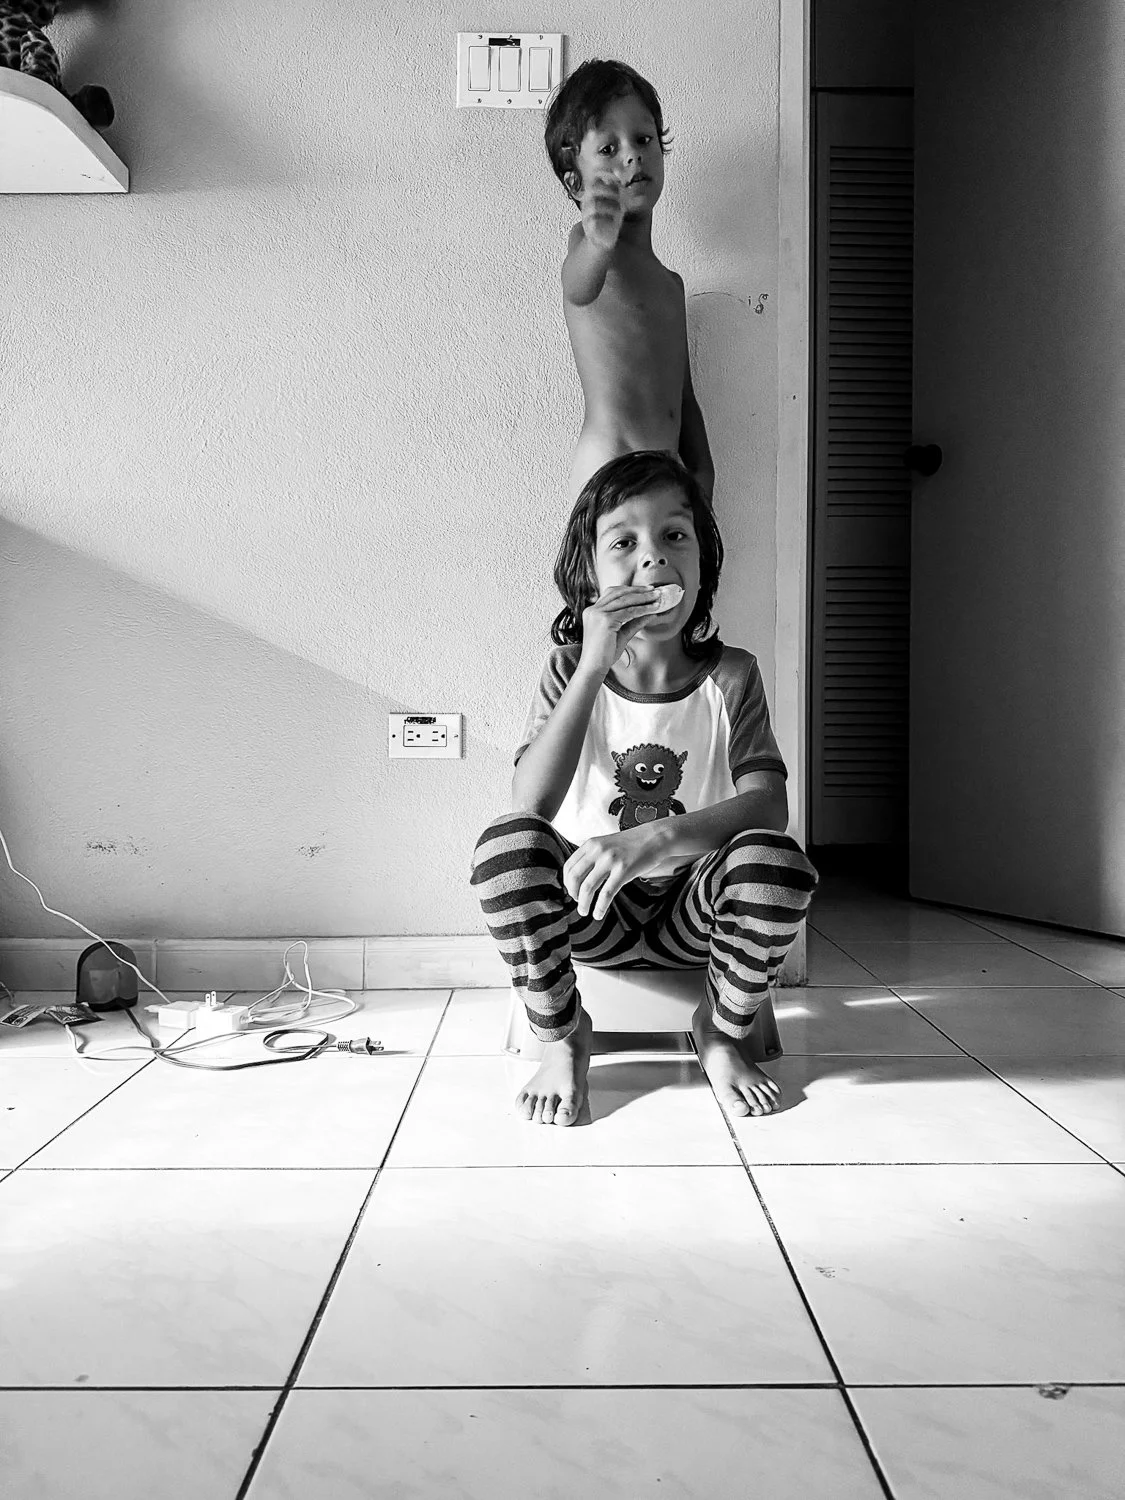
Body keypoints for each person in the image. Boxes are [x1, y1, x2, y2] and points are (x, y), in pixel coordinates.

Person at [470, 451, 817, 1126]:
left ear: (701, 566)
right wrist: (592, 663)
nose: (653, 559)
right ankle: (563, 1037)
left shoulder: (733, 676)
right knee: (504, 848)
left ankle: (719, 1029)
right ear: (588, 574)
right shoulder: (568, 669)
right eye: (623, 542)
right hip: (589, 914)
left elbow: (769, 806)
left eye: (674, 536)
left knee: (777, 864)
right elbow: (530, 804)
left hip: (696, 916)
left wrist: (651, 839)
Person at [544, 59, 715, 504]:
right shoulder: (589, 248)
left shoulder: (671, 284)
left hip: (667, 477)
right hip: (610, 472)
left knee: (676, 578)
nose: (632, 154)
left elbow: (683, 396)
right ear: (575, 182)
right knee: (616, 578)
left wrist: (702, 471)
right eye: (608, 149)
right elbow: (577, 289)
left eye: (643, 139)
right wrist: (598, 242)